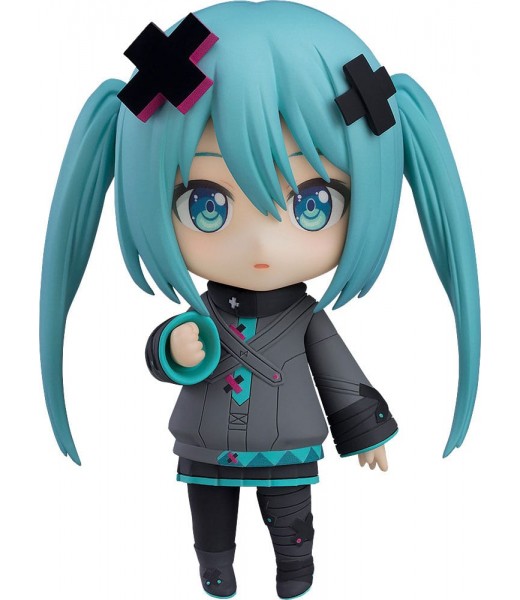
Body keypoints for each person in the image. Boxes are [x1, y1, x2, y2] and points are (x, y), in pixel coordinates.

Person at [40, 3, 480, 599]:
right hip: (207, 439)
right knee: (209, 516)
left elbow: (338, 371)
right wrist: (173, 348)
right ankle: (215, 568)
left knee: (291, 517)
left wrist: (364, 429)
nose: (263, 245)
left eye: (313, 205)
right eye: (206, 204)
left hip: (287, 437)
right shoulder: (205, 314)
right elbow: (164, 355)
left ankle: (295, 570)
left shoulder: (304, 319)